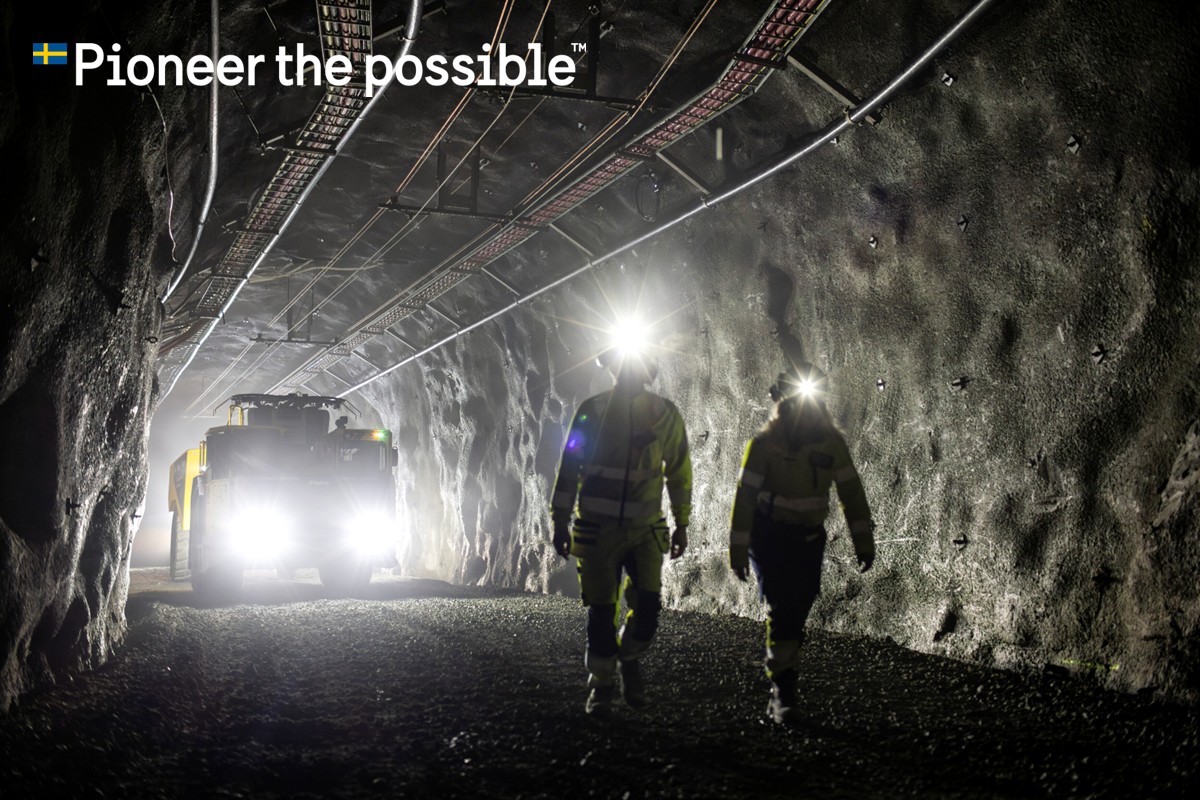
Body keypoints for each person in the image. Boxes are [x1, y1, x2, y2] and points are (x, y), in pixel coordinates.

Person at [729, 362, 876, 725]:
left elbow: (851, 493)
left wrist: (863, 541)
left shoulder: (831, 444)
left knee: (798, 605)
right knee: (783, 608)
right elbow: (745, 498)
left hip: (808, 540)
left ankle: (784, 669)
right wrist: (738, 548)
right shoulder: (764, 445)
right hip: (769, 537)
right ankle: (783, 692)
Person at [551, 345, 692, 718]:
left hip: (644, 531)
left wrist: (682, 523)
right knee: (601, 612)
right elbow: (569, 467)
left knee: (648, 609)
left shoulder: (664, 414)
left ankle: (628, 658)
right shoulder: (592, 411)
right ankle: (601, 686)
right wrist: (560, 520)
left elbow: (679, 471)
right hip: (597, 531)